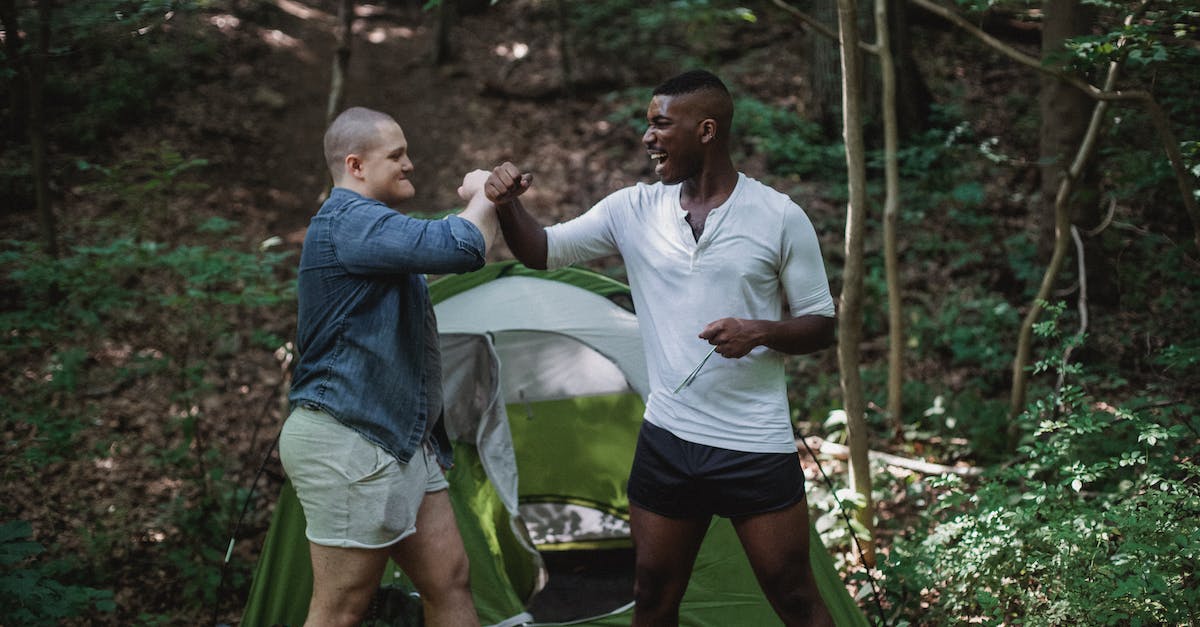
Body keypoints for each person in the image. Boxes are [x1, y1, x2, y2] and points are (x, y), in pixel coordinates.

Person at [486, 70, 837, 626]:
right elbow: (542, 251)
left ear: (706, 130)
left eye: (661, 124)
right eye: (648, 124)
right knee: (652, 597)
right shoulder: (632, 210)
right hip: (668, 441)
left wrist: (759, 331)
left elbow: (821, 325)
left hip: (753, 443)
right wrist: (508, 205)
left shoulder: (779, 217)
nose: (647, 136)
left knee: (794, 597)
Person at [279, 106, 499, 627]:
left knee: (449, 579)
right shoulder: (349, 221)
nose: (409, 164)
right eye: (396, 155)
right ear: (355, 165)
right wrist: (483, 194)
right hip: (351, 438)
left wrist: (486, 205)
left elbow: (464, 245)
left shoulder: (373, 229)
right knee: (341, 608)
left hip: (399, 439)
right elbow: (462, 246)